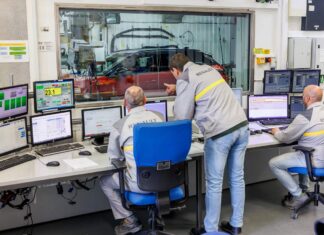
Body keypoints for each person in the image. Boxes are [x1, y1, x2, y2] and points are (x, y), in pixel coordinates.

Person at [165, 53, 249, 235]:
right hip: (241, 127)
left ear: (175, 70)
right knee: (237, 178)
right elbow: (202, 89)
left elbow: (182, 117)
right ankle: (236, 225)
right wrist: (179, 88)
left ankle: (210, 229)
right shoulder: (208, 69)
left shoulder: (184, 78)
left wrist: (179, 94)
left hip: (220, 133)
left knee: (214, 183)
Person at [99, 86, 163, 235]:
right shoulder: (160, 117)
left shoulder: (120, 125)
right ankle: (158, 215)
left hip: (139, 183)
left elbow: (114, 158)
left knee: (104, 181)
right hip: (165, 178)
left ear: (124, 103)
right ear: (145, 100)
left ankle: (130, 220)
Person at [269, 85, 324, 209]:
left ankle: (298, 195)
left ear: (308, 98)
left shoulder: (305, 117)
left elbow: (285, 138)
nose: (302, 99)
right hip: (320, 156)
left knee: (274, 163)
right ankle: (304, 188)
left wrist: (275, 131)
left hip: (314, 159)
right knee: (302, 149)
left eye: (303, 97)